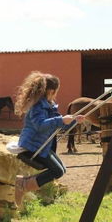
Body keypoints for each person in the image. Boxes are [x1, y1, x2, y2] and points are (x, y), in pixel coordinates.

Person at [14, 71, 85, 208]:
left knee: (62, 170)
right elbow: (41, 125)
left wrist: (75, 121)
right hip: (33, 147)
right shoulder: (37, 106)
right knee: (57, 171)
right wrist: (61, 119)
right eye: (56, 91)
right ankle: (23, 185)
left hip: (43, 146)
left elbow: (58, 124)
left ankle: (23, 183)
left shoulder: (49, 104)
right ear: (51, 91)